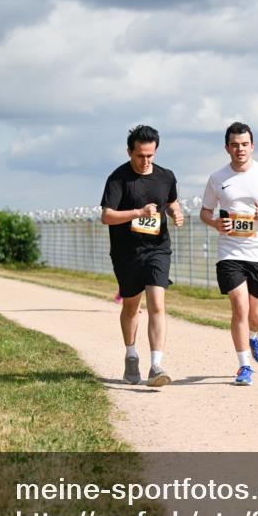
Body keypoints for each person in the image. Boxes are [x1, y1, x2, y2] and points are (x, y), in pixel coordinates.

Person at [200, 122, 258, 386]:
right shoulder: (217, 178)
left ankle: (253, 336)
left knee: (257, 317)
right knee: (240, 307)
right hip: (230, 253)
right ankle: (244, 366)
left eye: (244, 144)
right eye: (234, 145)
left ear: (252, 146)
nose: (239, 149)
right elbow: (205, 212)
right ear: (227, 148)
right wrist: (215, 223)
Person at [100, 125, 184, 388]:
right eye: (140, 156)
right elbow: (107, 216)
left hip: (158, 248)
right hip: (126, 252)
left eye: (150, 156)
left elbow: (171, 201)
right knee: (131, 306)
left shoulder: (166, 176)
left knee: (157, 303)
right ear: (129, 151)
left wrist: (176, 212)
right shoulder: (118, 179)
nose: (145, 161)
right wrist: (138, 213)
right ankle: (131, 355)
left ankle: (156, 365)